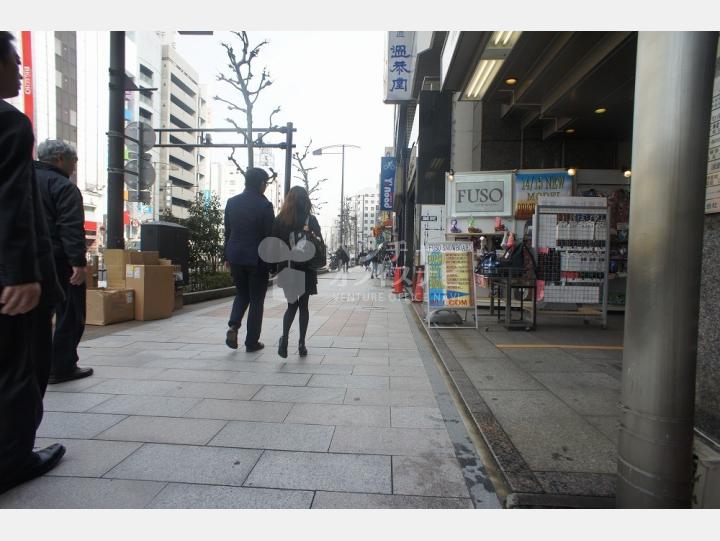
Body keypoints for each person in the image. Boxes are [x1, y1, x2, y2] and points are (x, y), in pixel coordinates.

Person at [0, 31, 65, 494]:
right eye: (14, 59)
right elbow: (9, 203)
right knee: (19, 368)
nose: (20, 68)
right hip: (10, 280)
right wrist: (22, 274)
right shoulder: (8, 124)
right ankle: (13, 458)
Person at [35, 140, 93, 384]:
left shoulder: (20, 179)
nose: (74, 165)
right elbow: (70, 227)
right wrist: (78, 262)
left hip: (26, 260)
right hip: (59, 260)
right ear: (60, 158)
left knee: (35, 316)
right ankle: (62, 366)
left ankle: (37, 364)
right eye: (74, 160)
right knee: (70, 312)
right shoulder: (63, 186)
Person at [224, 167, 274, 352]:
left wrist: (226, 256)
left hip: (235, 255)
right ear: (261, 184)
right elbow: (269, 236)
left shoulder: (232, 202)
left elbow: (227, 232)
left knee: (241, 293)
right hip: (257, 259)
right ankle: (251, 342)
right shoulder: (265, 205)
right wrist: (273, 264)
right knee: (256, 300)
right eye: (266, 184)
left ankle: (233, 326)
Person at [271, 186, 323, 358]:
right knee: (304, 306)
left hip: (288, 268)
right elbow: (319, 243)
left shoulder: (280, 220)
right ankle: (301, 344)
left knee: (291, 306)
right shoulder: (311, 219)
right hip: (307, 267)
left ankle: (284, 339)